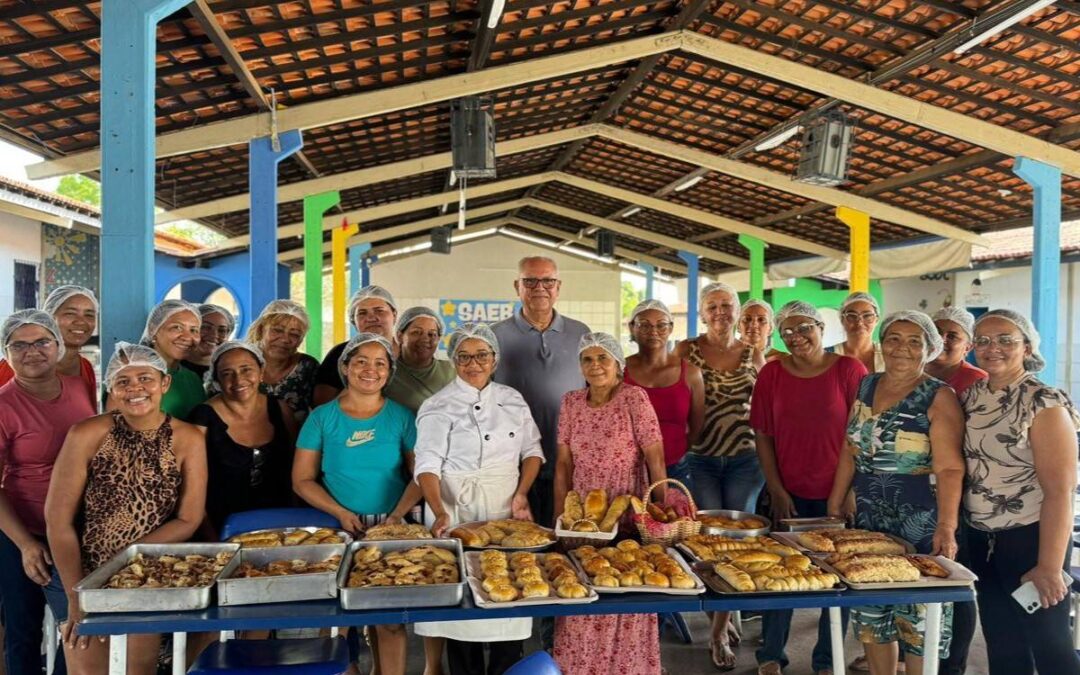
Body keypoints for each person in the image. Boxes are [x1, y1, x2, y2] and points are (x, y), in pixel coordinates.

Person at [45, 342, 208, 675]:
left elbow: (189, 518)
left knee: (137, 669)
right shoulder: (87, 433)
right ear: (112, 390)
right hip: (85, 573)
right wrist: (78, 597)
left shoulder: (189, 438)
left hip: (146, 576)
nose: (136, 388)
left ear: (164, 383)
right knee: (88, 668)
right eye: (123, 381)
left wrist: (131, 556)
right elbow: (57, 521)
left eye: (145, 378)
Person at [828, 311, 964, 675]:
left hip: (919, 518)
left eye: (914, 341)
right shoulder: (867, 385)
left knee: (919, 618)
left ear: (929, 349)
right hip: (869, 517)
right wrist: (836, 499)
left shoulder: (938, 396)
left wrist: (947, 528)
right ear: (881, 344)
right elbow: (849, 447)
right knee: (873, 615)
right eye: (894, 339)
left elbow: (950, 468)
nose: (902, 348)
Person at [413, 323, 543, 675]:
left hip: (505, 505)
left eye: (481, 355)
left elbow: (532, 451)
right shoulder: (437, 405)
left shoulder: (512, 399)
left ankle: (506, 668)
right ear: (454, 360)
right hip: (455, 508)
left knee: (511, 590)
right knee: (464, 610)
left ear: (494, 359)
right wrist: (439, 511)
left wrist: (521, 495)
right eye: (465, 356)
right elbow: (426, 465)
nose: (474, 363)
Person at [749, 301, 867, 675]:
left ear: (821, 327)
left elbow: (859, 436)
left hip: (837, 490)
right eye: (787, 331)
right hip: (789, 490)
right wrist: (776, 488)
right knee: (779, 574)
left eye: (804, 328)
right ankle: (770, 656)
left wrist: (846, 491)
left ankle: (827, 660)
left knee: (838, 577)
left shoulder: (849, 370)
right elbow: (763, 435)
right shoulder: (772, 373)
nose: (796, 337)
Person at [961, 309, 1080, 675]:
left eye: (1005, 340)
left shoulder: (1043, 402)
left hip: (1032, 539)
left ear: (1027, 347)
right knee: (1002, 641)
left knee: (1050, 644)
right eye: (982, 340)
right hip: (983, 539)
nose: (992, 347)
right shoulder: (971, 397)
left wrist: (1049, 566)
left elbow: (1061, 491)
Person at [293, 333, 419, 675]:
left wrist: (395, 517)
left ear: (389, 372)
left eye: (381, 363)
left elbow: (421, 474)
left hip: (390, 528)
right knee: (335, 619)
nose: (371, 369)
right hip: (337, 527)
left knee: (390, 620)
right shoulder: (322, 418)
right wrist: (341, 513)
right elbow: (302, 479)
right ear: (345, 367)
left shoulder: (402, 417)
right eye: (361, 361)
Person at [552, 333, 666, 675]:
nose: (595, 365)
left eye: (603, 358)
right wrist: (560, 518)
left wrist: (661, 515)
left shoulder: (634, 398)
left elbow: (655, 458)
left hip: (626, 509)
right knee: (581, 590)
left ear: (618, 364)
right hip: (583, 516)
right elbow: (562, 464)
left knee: (625, 590)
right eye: (587, 359)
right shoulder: (571, 401)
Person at [674, 282, 765, 670]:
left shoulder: (753, 351)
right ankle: (719, 624)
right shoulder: (684, 350)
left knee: (738, 542)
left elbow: (767, 401)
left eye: (727, 306)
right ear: (701, 312)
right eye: (712, 306)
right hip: (701, 458)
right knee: (710, 542)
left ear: (737, 310)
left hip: (747, 459)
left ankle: (722, 624)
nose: (721, 313)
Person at [0, 310, 97, 675]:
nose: (32, 351)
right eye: (19, 345)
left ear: (57, 346)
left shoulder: (77, 386)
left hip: (77, 528)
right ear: (7, 353)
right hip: (21, 529)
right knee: (22, 628)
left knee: (76, 622)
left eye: (41, 341)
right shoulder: (3, 406)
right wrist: (26, 545)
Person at [491, 256, 590, 530]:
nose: (539, 287)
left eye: (547, 280)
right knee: (518, 537)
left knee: (562, 533)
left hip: (568, 456)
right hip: (512, 460)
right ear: (517, 286)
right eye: (530, 280)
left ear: (558, 286)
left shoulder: (581, 333)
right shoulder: (494, 335)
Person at [925, 307, 985, 675]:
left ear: (968, 345)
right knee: (919, 582)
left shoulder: (977, 380)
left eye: (953, 335)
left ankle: (952, 666)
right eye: (938, 332)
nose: (944, 340)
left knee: (956, 583)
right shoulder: (915, 375)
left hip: (961, 497)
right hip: (914, 497)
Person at [189, 341, 298, 536]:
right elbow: (193, 488)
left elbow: (298, 470)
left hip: (280, 522)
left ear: (261, 371)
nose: (238, 380)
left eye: (246, 369)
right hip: (223, 525)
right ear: (216, 380)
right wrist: (213, 541)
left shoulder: (281, 410)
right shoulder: (202, 419)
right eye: (227, 373)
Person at [623, 300, 704, 496]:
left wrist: (676, 450)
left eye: (661, 324)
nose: (654, 331)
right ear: (632, 328)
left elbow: (696, 427)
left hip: (674, 469)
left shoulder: (691, 373)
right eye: (644, 324)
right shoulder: (619, 371)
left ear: (671, 328)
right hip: (628, 471)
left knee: (676, 525)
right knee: (629, 526)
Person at [105, 299, 206, 420]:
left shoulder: (192, 379)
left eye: (194, 330)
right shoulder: (129, 373)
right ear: (153, 330)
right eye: (177, 327)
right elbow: (115, 428)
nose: (187, 337)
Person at [0, 285, 99, 405]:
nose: (81, 321)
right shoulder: (16, 365)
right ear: (49, 318)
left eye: (89, 315)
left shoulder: (86, 368)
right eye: (70, 313)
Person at [312, 286, 398, 406]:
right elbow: (321, 405)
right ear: (353, 321)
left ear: (394, 314)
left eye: (379, 311)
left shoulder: (409, 353)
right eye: (362, 313)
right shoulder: (340, 354)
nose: (371, 318)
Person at [245, 299, 320, 422]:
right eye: (277, 330)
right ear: (261, 330)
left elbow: (322, 411)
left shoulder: (307, 367)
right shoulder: (240, 361)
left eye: (294, 334)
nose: (285, 339)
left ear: (300, 340)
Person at [385, 306, 456, 413]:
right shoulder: (387, 373)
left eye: (432, 334)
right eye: (416, 332)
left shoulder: (452, 371)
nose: (425, 339)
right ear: (400, 336)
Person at [926, 307, 987, 397]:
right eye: (937, 333)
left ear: (968, 347)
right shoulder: (909, 371)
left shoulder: (979, 381)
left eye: (952, 336)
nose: (941, 340)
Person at [831, 292, 885, 373]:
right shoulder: (827, 356)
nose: (859, 322)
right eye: (852, 316)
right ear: (842, 319)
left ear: (876, 320)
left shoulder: (888, 355)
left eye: (867, 316)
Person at [181, 303, 235, 379]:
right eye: (205, 327)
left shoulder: (231, 373)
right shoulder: (169, 368)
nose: (214, 335)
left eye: (222, 330)